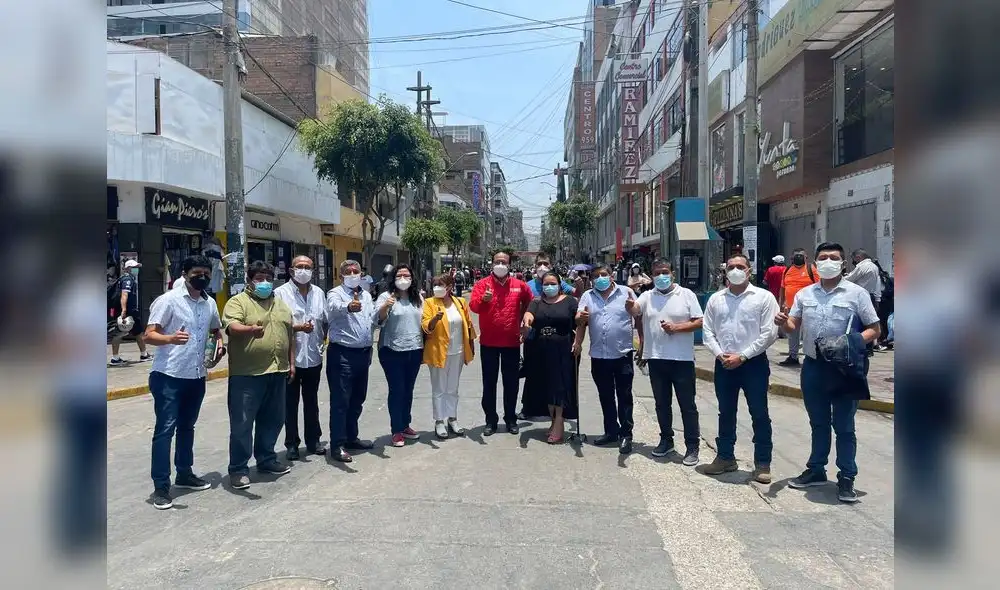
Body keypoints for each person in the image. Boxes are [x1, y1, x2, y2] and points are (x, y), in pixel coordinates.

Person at [775, 242, 881, 503]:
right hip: (813, 366)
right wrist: (783, 322)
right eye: (823, 258)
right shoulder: (805, 294)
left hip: (844, 369)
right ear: (815, 263)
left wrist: (850, 342)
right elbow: (793, 326)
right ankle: (816, 469)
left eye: (834, 258)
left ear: (844, 263)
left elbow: (875, 330)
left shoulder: (857, 294)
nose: (828, 262)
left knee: (844, 425)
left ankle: (847, 476)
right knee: (818, 422)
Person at [143, 255, 225, 509]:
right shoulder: (168, 301)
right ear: (185, 274)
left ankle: (184, 473)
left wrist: (219, 343)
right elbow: (148, 335)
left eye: (206, 273)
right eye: (197, 272)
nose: (202, 277)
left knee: (187, 427)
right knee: (165, 430)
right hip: (169, 375)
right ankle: (161, 487)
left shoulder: (209, 303)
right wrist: (169, 339)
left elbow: (215, 329)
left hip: (196, 375)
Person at [701, 254, 780, 484]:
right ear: (726, 271)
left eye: (741, 266)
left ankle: (762, 463)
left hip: (753, 363)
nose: (736, 270)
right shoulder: (716, 299)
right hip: (724, 362)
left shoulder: (764, 298)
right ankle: (725, 457)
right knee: (726, 412)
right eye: (732, 266)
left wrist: (743, 356)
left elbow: (769, 333)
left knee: (759, 413)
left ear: (749, 270)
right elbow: (707, 331)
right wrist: (719, 354)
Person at [222, 261, 295, 490]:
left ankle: (266, 459)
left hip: (277, 370)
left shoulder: (280, 304)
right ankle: (239, 469)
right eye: (259, 277)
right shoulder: (238, 302)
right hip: (248, 374)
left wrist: (291, 363)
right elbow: (232, 326)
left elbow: (289, 335)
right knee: (242, 424)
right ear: (250, 280)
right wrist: (250, 330)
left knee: (274, 419)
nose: (264, 282)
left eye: (267, 277)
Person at [631, 258, 703, 465]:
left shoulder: (686, 294)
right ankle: (666, 439)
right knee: (662, 404)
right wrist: (629, 302)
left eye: (665, 272)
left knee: (687, 405)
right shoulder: (647, 296)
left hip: (681, 359)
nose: (661, 276)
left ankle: (692, 446)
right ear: (651, 276)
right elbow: (635, 310)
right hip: (656, 358)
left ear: (672, 273)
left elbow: (699, 321)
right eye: (657, 273)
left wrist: (677, 328)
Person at [577, 263, 640, 455]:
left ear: (611, 276)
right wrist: (580, 321)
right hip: (599, 355)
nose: (600, 278)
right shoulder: (588, 295)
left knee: (624, 395)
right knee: (605, 396)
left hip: (622, 354)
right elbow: (580, 320)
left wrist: (633, 310)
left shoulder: (626, 292)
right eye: (596, 276)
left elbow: (638, 314)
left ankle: (626, 435)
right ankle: (611, 431)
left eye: (604, 274)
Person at [469, 250, 533, 435]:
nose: (500, 264)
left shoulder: (519, 285)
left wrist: (524, 321)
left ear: (509, 264)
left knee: (511, 383)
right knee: (489, 383)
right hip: (488, 342)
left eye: (504, 262)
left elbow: (531, 303)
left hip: (511, 342)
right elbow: (474, 306)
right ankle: (491, 420)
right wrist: (483, 299)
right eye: (497, 261)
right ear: (492, 263)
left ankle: (511, 418)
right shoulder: (482, 284)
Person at [274, 255, 328, 461]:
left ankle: (313, 440)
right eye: (300, 267)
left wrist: (321, 341)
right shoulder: (280, 293)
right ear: (291, 270)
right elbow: (277, 324)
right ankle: (292, 444)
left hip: (313, 356)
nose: (304, 270)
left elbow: (324, 321)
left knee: (311, 400)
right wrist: (297, 328)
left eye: (308, 267)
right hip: (290, 358)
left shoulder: (318, 293)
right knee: (290, 402)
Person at [520, 272, 583, 444]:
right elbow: (529, 315)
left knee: (560, 385)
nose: (549, 286)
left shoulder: (570, 301)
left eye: (553, 283)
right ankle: (553, 419)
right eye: (546, 283)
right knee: (546, 385)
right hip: (540, 349)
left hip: (563, 349)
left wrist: (578, 339)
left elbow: (578, 320)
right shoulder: (537, 302)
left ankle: (560, 420)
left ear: (559, 284)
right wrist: (527, 322)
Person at [326, 259, 378, 463]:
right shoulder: (335, 293)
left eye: (356, 271)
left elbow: (371, 319)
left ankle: (351, 437)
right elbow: (333, 307)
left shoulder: (365, 294)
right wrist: (348, 306)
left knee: (357, 399)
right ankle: (337, 444)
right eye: (349, 272)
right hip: (342, 355)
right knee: (341, 401)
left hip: (363, 354)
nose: (353, 274)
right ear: (341, 276)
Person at [375, 264, 425, 447]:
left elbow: (424, 321)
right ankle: (396, 430)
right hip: (392, 350)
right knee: (397, 390)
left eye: (407, 275)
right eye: (399, 275)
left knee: (408, 390)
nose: (403, 278)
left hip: (414, 349)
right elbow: (377, 321)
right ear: (393, 278)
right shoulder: (385, 296)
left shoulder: (418, 297)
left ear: (412, 278)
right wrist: (384, 308)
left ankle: (405, 424)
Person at [422, 273, 477, 439]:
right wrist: (434, 320)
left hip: (458, 352)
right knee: (439, 388)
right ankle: (439, 420)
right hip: (438, 352)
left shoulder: (460, 302)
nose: (437, 288)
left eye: (441, 284)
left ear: (450, 287)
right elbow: (426, 326)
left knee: (453, 388)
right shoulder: (430, 302)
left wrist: (471, 346)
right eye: (435, 284)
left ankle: (452, 418)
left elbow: (468, 325)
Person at [777, 248, 818, 366]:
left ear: (806, 258)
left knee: (809, 332)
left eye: (801, 255)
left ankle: (812, 357)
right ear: (791, 258)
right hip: (791, 308)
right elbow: (783, 288)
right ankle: (793, 356)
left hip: (809, 307)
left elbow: (820, 286)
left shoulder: (811, 269)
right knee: (792, 334)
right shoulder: (787, 270)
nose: (798, 257)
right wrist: (781, 304)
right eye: (796, 255)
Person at [109, 258, 151, 365]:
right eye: (135, 268)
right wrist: (124, 310)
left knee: (124, 333)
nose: (137, 269)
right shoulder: (127, 280)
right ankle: (143, 354)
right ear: (128, 268)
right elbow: (124, 295)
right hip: (128, 311)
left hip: (126, 310)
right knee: (134, 333)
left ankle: (117, 357)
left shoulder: (125, 278)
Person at [845, 248, 883, 356]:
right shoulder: (874, 267)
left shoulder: (862, 266)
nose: (854, 261)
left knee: (858, 323)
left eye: (854, 259)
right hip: (870, 296)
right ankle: (869, 348)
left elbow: (849, 279)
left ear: (858, 257)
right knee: (870, 324)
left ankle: (860, 347)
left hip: (859, 296)